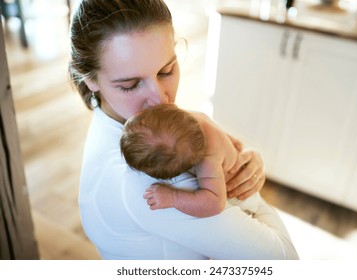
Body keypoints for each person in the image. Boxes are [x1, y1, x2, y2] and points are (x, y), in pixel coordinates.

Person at [69, 0, 299, 259]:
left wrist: (246, 158)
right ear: (89, 79)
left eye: (166, 71)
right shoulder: (149, 175)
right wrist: (252, 196)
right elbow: (284, 259)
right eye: (131, 84)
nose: (160, 100)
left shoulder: (116, 127)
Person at [120, 103, 263, 218]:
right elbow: (236, 144)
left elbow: (214, 203)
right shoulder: (192, 117)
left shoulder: (208, 159)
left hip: (242, 197)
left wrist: (173, 197)